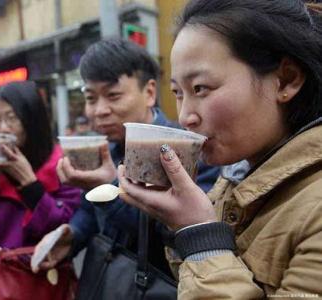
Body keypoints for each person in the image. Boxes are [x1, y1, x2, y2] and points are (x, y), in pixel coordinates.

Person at [117, 0, 322, 298]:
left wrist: (199, 233)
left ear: (286, 80)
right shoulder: (235, 177)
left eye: (200, 88)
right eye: (177, 92)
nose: (186, 116)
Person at [33, 39, 220, 277]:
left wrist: (109, 186)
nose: (99, 110)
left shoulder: (187, 152)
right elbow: (90, 209)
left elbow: (174, 236)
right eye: (91, 98)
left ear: (150, 92)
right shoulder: (107, 148)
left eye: (113, 95)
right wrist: (74, 233)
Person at [0, 81, 82, 298]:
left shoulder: (62, 164)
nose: (3, 128)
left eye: (12, 117)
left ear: (33, 120)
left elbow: (64, 231)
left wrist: (29, 183)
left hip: (44, 283)